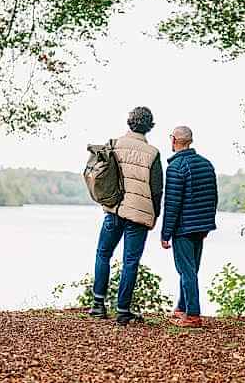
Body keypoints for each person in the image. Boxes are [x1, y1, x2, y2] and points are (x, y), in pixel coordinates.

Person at [88, 106, 163, 325]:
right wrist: (154, 215)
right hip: (139, 214)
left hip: (114, 209)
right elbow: (157, 189)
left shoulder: (114, 144)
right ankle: (122, 310)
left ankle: (98, 305)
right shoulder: (153, 153)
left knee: (103, 254)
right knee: (131, 261)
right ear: (150, 127)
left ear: (129, 124)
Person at [161, 126, 218, 328]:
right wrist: (207, 225)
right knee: (191, 269)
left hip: (184, 227)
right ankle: (181, 308)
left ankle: (193, 315)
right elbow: (213, 198)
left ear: (174, 140)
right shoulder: (206, 164)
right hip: (201, 226)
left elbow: (172, 203)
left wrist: (165, 233)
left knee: (186, 271)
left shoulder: (176, 167)